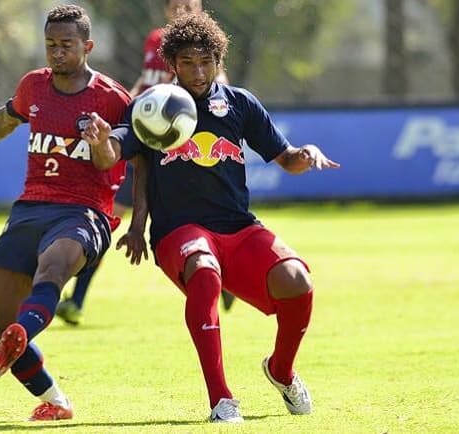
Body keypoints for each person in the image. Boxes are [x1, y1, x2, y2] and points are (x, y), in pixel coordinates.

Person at [86, 12, 339, 423]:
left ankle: (281, 370)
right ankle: (222, 400)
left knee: (297, 280)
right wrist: (101, 143)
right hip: (178, 231)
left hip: (237, 227)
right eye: (187, 62)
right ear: (172, 64)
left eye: (206, 62)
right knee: (203, 271)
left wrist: (305, 153)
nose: (198, 71)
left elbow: (286, 158)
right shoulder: (153, 106)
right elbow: (114, 155)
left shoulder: (239, 103)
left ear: (219, 61)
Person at [0, 5, 131, 421]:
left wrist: (143, 220)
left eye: (67, 45)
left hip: (84, 212)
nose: (57, 52)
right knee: (1, 325)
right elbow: (5, 121)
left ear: (87, 47)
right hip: (30, 209)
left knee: (52, 269)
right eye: (50, 45)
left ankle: (22, 332)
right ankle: (56, 401)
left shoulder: (112, 98)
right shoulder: (33, 85)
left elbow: (132, 158)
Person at [54, 0, 234, 327]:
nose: (182, 11)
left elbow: (217, 80)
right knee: (110, 218)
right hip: (144, 137)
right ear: (166, 10)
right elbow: (145, 82)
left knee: (201, 217)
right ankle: (76, 300)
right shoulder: (156, 41)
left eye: (188, 5)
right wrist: (126, 105)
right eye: (176, 5)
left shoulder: (199, 49)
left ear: (199, 8)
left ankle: (226, 277)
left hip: (177, 146)